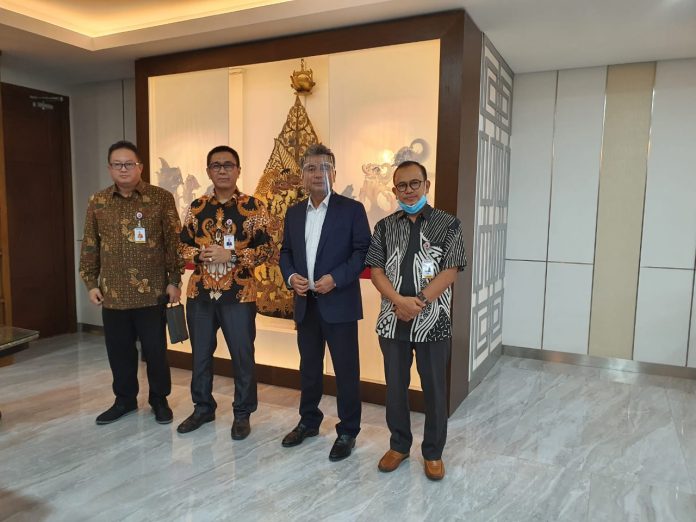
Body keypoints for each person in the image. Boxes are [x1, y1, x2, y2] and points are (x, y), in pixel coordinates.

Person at [366, 160, 467, 481]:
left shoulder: (448, 224)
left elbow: (450, 271)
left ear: (426, 186)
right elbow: (376, 271)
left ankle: (433, 452)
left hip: (433, 321)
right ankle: (398, 445)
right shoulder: (384, 227)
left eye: (414, 184)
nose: (408, 191)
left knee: (434, 390)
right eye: (402, 186)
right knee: (395, 388)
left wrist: (418, 303)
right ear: (394, 190)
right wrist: (399, 301)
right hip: (392, 320)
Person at [80, 140, 183, 425]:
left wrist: (174, 280)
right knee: (119, 352)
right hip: (113, 294)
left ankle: (159, 400)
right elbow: (90, 244)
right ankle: (124, 400)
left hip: (153, 293)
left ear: (140, 167)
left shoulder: (160, 198)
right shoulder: (98, 201)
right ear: (109, 168)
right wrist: (90, 283)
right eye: (117, 164)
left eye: (129, 164)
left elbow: (174, 244)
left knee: (155, 352)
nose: (123, 169)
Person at [279, 143, 371, 461]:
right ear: (302, 175)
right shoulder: (293, 212)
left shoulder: (352, 209)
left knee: (346, 370)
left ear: (334, 173)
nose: (318, 173)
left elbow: (362, 252)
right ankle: (308, 421)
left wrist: (336, 278)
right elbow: (285, 252)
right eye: (311, 168)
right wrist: (291, 276)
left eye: (324, 167)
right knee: (309, 369)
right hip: (306, 304)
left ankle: (348, 430)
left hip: (340, 303)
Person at [177, 145, 275, 440]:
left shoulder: (254, 208)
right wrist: (199, 254)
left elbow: (268, 250)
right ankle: (202, 408)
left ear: (238, 170)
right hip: (200, 294)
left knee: (242, 357)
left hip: (240, 294)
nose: (222, 170)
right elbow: (181, 246)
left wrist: (231, 255)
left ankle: (242, 413)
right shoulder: (196, 208)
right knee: (200, 355)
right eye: (216, 166)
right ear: (208, 171)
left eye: (228, 165)